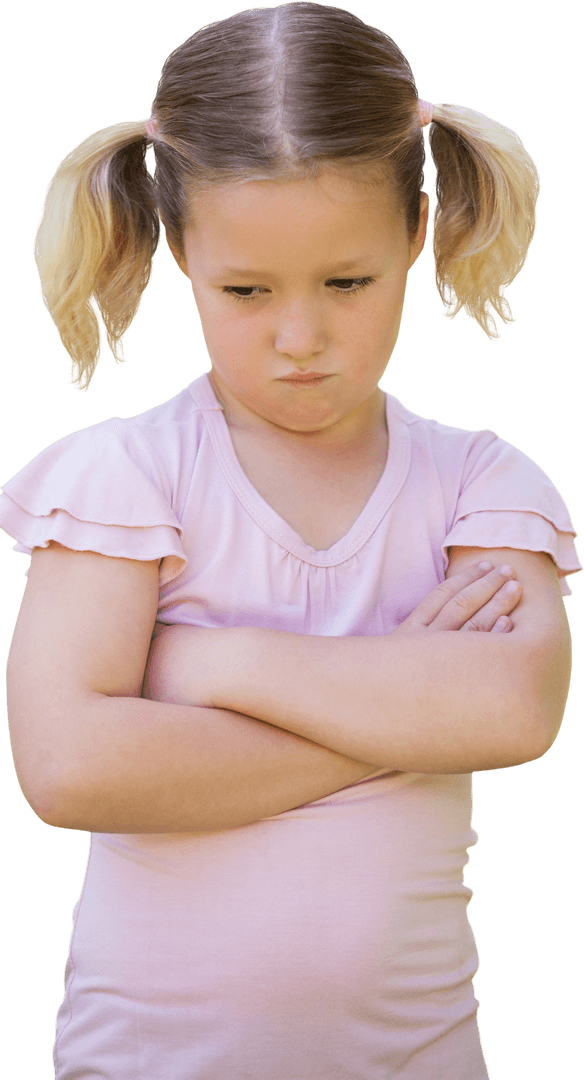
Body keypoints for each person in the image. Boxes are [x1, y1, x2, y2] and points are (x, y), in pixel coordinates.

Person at [1, 3, 581, 1078]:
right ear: (179, 247)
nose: (300, 339)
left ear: (415, 228)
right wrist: (406, 707)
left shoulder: (478, 483)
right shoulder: (125, 476)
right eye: (245, 291)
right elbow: (69, 767)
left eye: (347, 282)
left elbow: (508, 707)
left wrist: (210, 665)